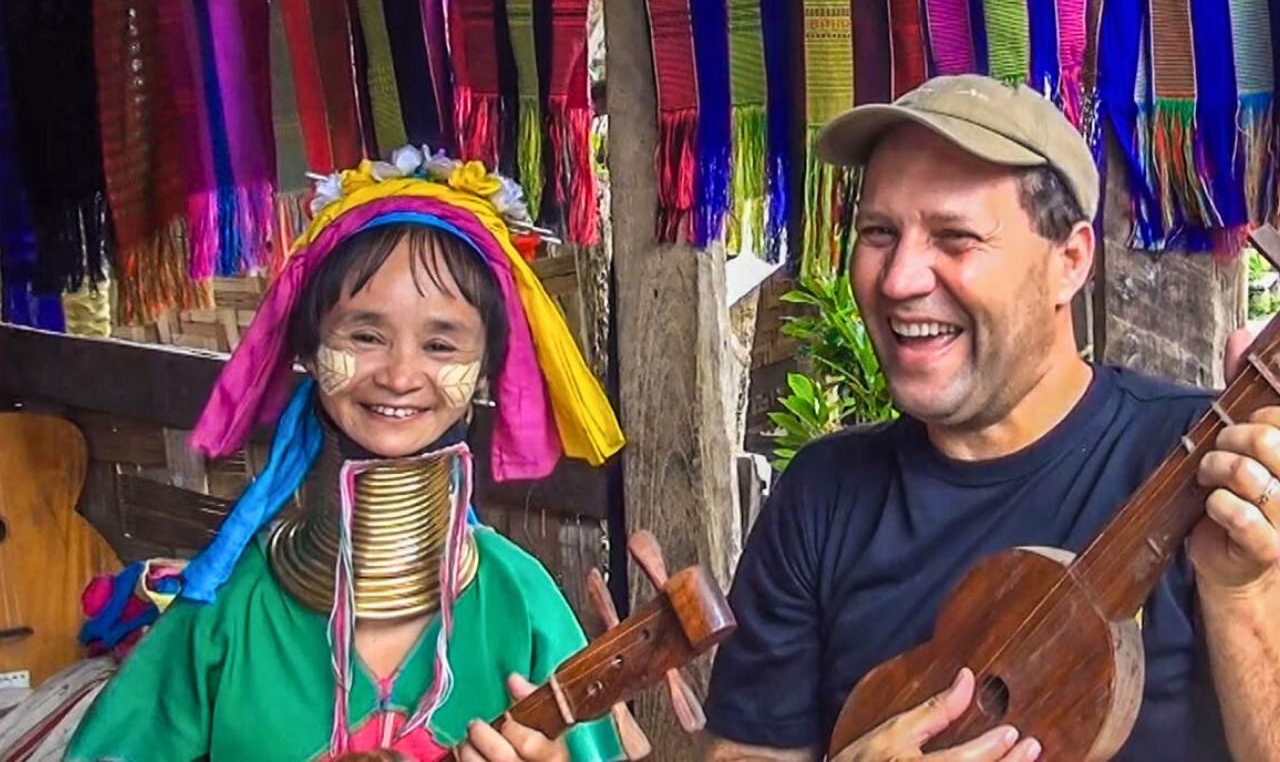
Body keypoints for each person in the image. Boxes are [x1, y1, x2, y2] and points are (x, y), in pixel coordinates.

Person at [702, 74, 1280, 761]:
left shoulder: (1222, 468)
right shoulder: (823, 494)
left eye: (955, 237)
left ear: (1069, 261)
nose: (898, 279)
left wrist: (1245, 590)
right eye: (879, 232)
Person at [67, 149, 629, 761]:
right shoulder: (231, 611)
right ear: (308, 350)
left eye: (441, 344)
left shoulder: (522, 605)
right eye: (365, 336)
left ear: (487, 372)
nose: (400, 374)